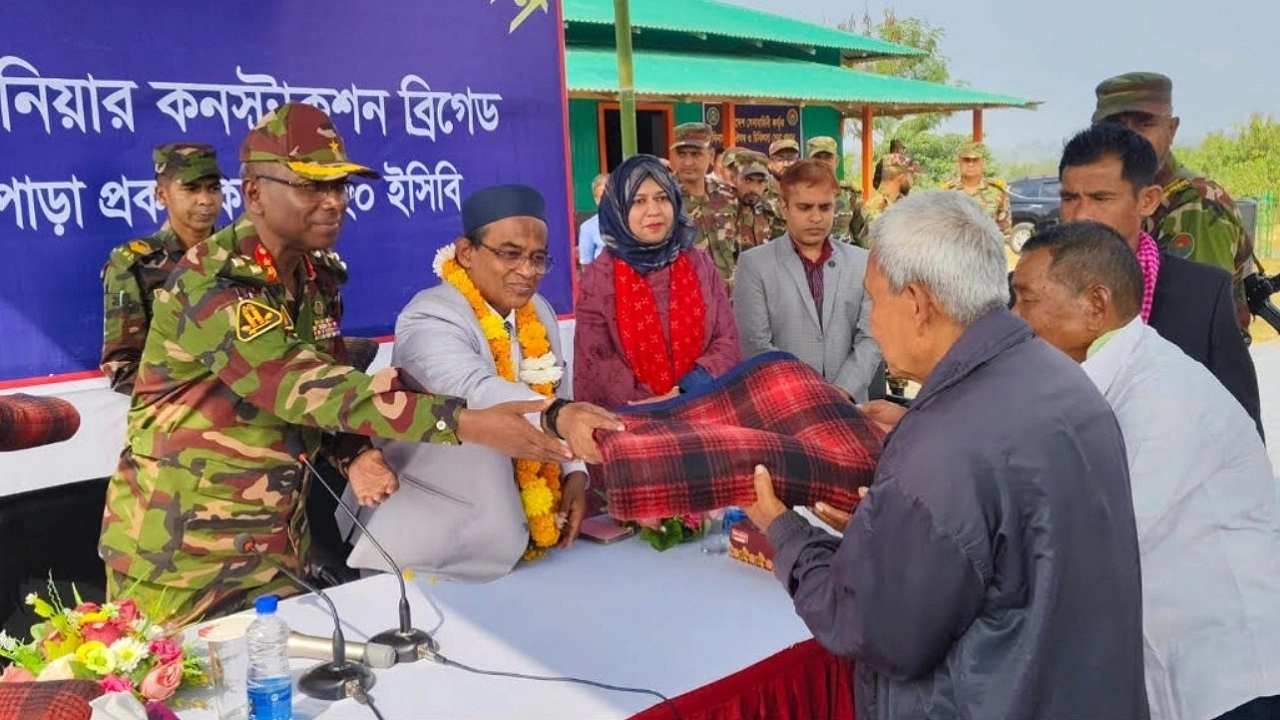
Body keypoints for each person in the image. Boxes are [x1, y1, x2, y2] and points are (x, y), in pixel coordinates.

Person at [98, 103, 588, 626]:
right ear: (254, 193)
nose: (333, 202)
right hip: (179, 552)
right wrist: (467, 423)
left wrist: (353, 452)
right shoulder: (212, 281)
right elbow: (301, 385)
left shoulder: (316, 277)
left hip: (277, 540)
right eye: (311, 185)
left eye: (339, 186)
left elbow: (333, 380)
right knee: (178, 680)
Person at [746, 190, 1149, 720]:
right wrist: (891, 522)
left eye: (875, 301)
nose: (873, 321)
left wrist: (784, 531)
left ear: (918, 304)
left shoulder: (944, 448)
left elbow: (875, 629)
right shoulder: (1061, 379)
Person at [1012, 221, 1280, 720]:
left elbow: (1095, 547)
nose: (1015, 317)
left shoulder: (1161, 396)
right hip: (1175, 675)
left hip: (1234, 683)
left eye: (1027, 300)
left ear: (1095, 305)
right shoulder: (1098, 381)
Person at [343, 185, 621, 580]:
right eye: (510, 254)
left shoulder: (539, 311)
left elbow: (557, 391)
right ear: (466, 252)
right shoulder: (428, 316)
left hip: (514, 545)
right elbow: (475, 389)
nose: (527, 270)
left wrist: (573, 470)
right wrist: (560, 417)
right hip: (423, 553)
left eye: (537, 258)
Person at [1050, 123, 1261, 435]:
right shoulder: (1028, 294)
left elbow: (1241, 432)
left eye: (1100, 198)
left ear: (1147, 201)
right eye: (1069, 198)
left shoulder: (1203, 296)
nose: (1080, 214)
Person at [574, 153, 741, 411]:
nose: (654, 211)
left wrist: (685, 390)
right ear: (618, 209)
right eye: (638, 201)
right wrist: (654, 404)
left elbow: (726, 340)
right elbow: (596, 363)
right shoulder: (599, 278)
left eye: (662, 198)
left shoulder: (699, 264)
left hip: (705, 405)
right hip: (634, 417)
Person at [1093, 71, 1254, 330]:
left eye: (1144, 124)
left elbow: (1193, 326)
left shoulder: (1195, 205)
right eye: (1114, 126)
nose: (1130, 137)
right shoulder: (1110, 197)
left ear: (1171, 129)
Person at [734, 160, 883, 401]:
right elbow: (755, 346)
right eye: (805, 208)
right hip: (783, 404)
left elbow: (871, 336)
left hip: (849, 404)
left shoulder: (862, 262)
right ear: (784, 208)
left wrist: (842, 391)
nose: (816, 217)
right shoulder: (754, 265)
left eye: (825, 208)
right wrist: (806, 398)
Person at [100, 143, 225, 394]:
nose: (205, 200)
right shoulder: (133, 265)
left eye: (214, 188)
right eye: (191, 189)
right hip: (182, 412)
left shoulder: (242, 254)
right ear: (161, 195)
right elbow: (122, 368)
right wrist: (207, 396)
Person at [670, 123, 739, 286]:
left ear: (711, 155)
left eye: (696, 154)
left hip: (728, 294)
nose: (688, 162)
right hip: (688, 294)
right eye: (681, 154)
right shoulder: (665, 198)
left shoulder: (727, 195)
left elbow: (737, 248)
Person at [940, 141, 1011, 240]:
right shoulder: (946, 192)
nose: (970, 164)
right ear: (959, 163)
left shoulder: (997, 192)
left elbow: (1005, 231)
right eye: (966, 160)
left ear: (983, 163)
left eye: (975, 160)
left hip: (986, 248)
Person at [806, 136, 864, 244]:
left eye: (827, 157)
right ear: (808, 162)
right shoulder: (800, 195)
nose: (823, 162)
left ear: (836, 161)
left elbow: (861, 236)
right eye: (818, 157)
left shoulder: (850, 195)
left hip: (844, 253)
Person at [732, 161, 783, 252]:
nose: (754, 189)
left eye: (760, 182)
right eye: (748, 180)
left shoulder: (771, 212)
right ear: (734, 179)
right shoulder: (725, 213)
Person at [576, 173, 609, 268]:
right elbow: (586, 266)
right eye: (602, 197)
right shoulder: (588, 228)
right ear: (596, 200)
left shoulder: (633, 221)